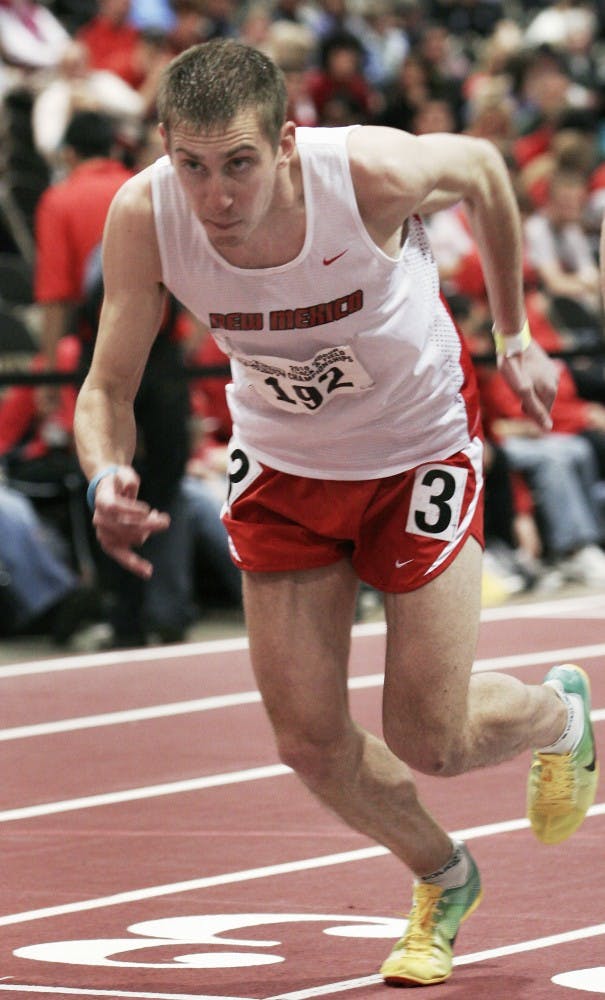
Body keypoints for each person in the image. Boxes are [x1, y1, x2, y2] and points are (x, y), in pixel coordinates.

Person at [73, 40, 598, 988]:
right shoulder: (146, 214)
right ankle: (443, 877)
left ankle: (557, 717)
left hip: (414, 451)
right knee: (306, 740)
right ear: (163, 148)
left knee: (428, 736)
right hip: (282, 465)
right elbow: (107, 383)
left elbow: (482, 168)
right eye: (191, 165)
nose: (216, 196)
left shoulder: (364, 174)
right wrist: (105, 474)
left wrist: (513, 331)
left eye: (238, 164)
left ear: (285, 142)